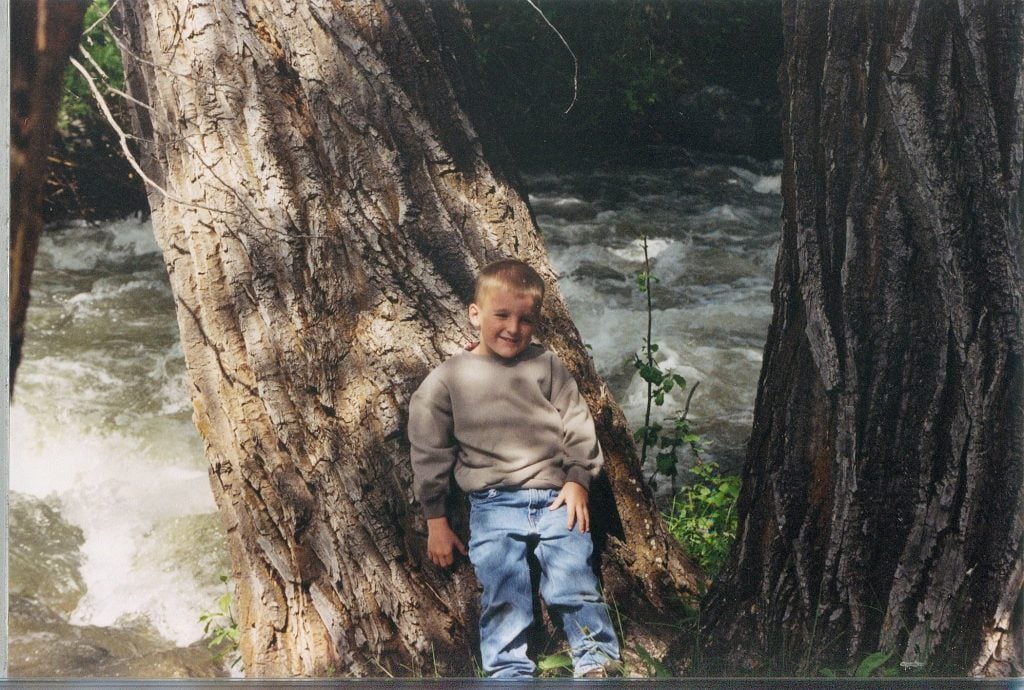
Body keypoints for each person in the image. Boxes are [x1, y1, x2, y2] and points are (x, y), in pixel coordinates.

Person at [408, 258, 622, 679]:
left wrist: (579, 480)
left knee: (574, 579)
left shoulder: (546, 366)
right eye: (501, 315)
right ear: (475, 314)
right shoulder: (449, 378)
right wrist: (436, 519)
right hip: (492, 503)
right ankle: (508, 672)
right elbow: (429, 446)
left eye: (525, 319)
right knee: (504, 591)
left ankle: (596, 660)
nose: (513, 328)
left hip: (556, 497)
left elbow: (577, 424)